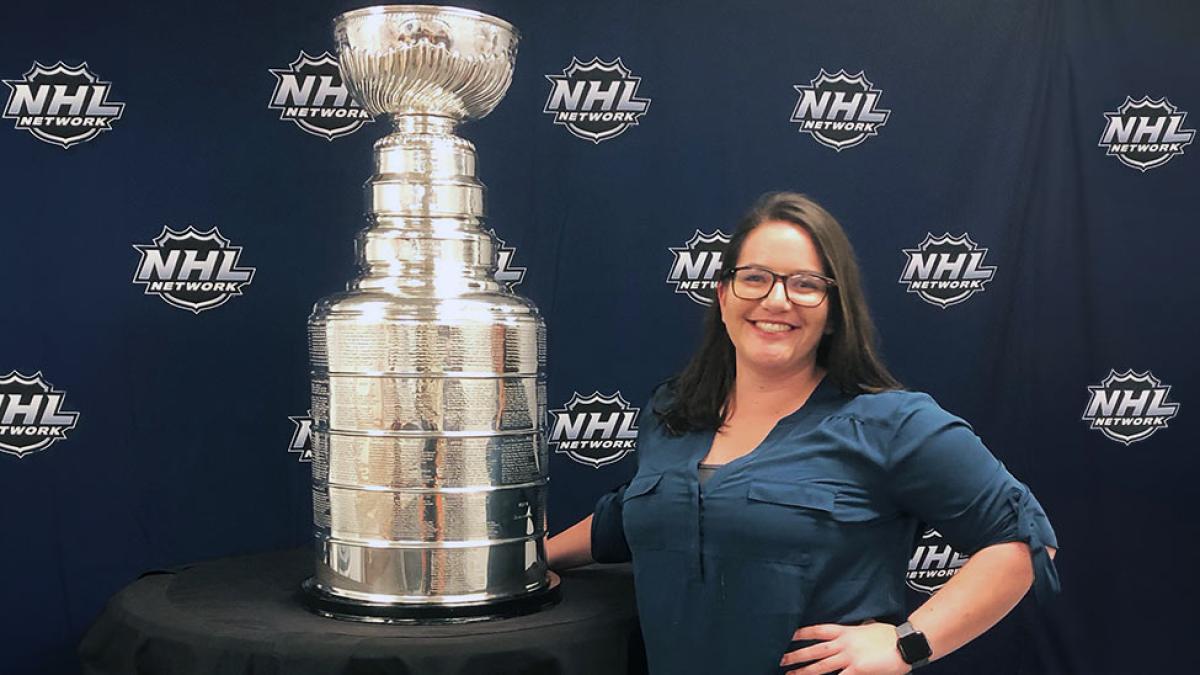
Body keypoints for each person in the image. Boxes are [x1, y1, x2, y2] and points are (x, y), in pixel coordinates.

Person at [546, 193, 1059, 675]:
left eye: (806, 284)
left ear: (834, 311)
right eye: (755, 278)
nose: (776, 300)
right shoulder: (672, 412)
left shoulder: (891, 424)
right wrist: (529, 562)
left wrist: (908, 643)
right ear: (723, 296)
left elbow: (1020, 540)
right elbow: (632, 514)